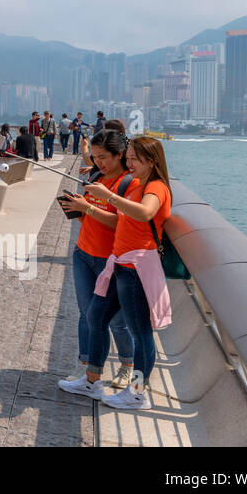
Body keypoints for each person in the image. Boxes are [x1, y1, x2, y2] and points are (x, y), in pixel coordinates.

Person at [64, 136, 174, 410]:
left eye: (135, 158)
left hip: (136, 268)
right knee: (95, 316)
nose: (130, 162)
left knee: (140, 333)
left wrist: (110, 197)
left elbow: (146, 213)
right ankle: (92, 381)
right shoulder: (141, 186)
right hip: (120, 264)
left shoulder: (156, 188)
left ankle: (137, 393)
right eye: (130, 157)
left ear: (152, 161)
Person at [56, 130, 135, 391]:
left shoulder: (128, 184)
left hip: (110, 260)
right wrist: (77, 208)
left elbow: (121, 222)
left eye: (103, 157)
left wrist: (87, 207)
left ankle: (127, 365)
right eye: (95, 157)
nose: (98, 163)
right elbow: (89, 217)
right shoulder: (96, 177)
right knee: (86, 314)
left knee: (116, 321)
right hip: (83, 253)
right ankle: (88, 368)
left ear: (119, 154)